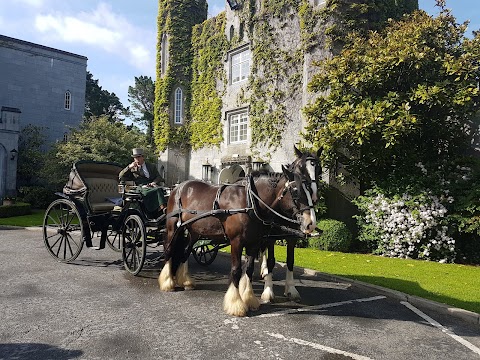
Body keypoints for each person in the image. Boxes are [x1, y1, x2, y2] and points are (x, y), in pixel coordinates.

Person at [119, 148, 166, 217]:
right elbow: (120, 176)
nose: (136, 159)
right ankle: (163, 208)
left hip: (151, 185)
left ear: (143, 157)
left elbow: (158, 177)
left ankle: (159, 210)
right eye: (135, 158)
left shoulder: (151, 166)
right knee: (157, 190)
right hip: (140, 187)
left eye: (138, 157)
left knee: (162, 190)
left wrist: (153, 182)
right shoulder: (132, 169)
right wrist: (129, 167)